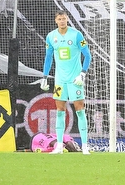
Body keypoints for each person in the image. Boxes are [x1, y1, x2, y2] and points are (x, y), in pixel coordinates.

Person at [39, 11, 92, 154]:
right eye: (59, 19)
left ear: (67, 19)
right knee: (60, 111)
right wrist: (44, 77)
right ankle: (59, 146)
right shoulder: (51, 37)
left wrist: (82, 74)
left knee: (80, 111)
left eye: (64, 18)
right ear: (56, 21)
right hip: (60, 80)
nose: (62, 21)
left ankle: (85, 146)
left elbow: (87, 55)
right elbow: (48, 57)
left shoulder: (76, 35)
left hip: (75, 80)